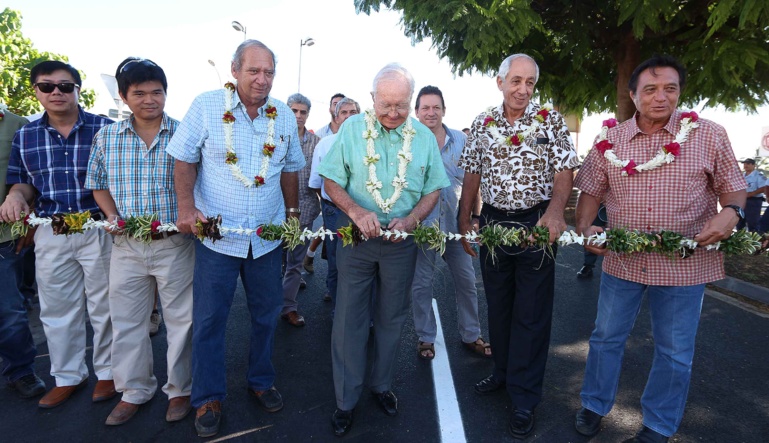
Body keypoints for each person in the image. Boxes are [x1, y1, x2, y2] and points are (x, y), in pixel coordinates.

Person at [572, 55, 747, 443]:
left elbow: (733, 187)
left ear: (680, 92)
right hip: (622, 262)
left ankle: (658, 425)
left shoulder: (709, 134)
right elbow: (590, 193)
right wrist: (587, 228)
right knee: (605, 338)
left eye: (670, 88)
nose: (660, 97)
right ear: (633, 96)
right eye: (650, 89)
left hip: (685, 267)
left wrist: (731, 213)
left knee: (674, 351)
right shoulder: (609, 141)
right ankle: (594, 404)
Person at [166, 39, 304, 438]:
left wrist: (293, 215)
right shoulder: (208, 106)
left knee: (266, 313)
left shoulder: (281, 116)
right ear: (234, 70)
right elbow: (184, 158)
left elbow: (292, 168)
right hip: (216, 237)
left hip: (266, 238)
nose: (262, 80)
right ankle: (207, 397)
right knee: (209, 320)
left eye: (269, 72)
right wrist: (187, 209)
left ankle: (260, 380)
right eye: (254, 71)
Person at [318, 63, 449, 437]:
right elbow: (330, 178)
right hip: (356, 240)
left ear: (410, 101)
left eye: (401, 105)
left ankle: (381, 385)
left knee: (392, 317)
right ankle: (346, 399)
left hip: (401, 243)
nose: (393, 113)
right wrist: (357, 211)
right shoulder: (352, 130)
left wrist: (411, 221)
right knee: (348, 318)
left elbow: (434, 188)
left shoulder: (422, 136)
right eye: (386, 104)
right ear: (373, 98)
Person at [457, 53, 578, 439]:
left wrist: (556, 213)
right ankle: (503, 374)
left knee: (532, 312)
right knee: (499, 303)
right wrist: (465, 220)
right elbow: (472, 171)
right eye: (516, 81)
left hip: (536, 222)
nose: (523, 89)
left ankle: (525, 397)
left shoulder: (550, 121)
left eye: (529, 82)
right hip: (493, 221)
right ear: (500, 83)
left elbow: (564, 169)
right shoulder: (482, 122)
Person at [0, 61, 116, 409]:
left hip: (98, 226)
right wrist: (14, 197)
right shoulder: (26, 134)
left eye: (65, 86)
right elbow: (23, 184)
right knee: (56, 310)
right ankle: (68, 377)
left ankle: (108, 374)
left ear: (78, 90)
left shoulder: (105, 128)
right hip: (51, 229)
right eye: (46, 86)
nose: (56, 93)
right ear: (36, 90)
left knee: (105, 306)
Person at [85, 58, 194, 426]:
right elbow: (97, 182)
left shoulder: (184, 134)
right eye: (140, 93)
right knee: (127, 322)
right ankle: (134, 390)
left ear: (165, 92)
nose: (150, 99)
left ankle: (180, 389)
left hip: (174, 244)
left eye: (157, 92)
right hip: (127, 246)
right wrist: (112, 216)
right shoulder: (107, 137)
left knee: (182, 320)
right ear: (124, 96)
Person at [410, 85, 489, 360]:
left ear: (444, 110)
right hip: (423, 230)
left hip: (458, 229)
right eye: (425, 108)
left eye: (436, 107)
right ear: (416, 111)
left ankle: (471, 335)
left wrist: (475, 218)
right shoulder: (409, 142)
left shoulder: (461, 141)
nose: (431, 112)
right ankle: (425, 338)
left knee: (467, 282)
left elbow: (473, 184)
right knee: (421, 285)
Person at [0, 104, 47, 400]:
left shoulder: (17, 125)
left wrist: (30, 222)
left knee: (9, 311)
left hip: (3, 236)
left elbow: (31, 178)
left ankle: (20, 370)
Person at [308, 97, 360, 305]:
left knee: (363, 261)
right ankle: (337, 311)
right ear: (336, 117)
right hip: (333, 212)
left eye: (353, 112)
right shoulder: (325, 145)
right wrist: (332, 204)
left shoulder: (370, 145)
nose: (348, 117)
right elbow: (315, 183)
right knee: (336, 261)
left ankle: (365, 315)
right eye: (344, 113)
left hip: (365, 212)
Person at [281, 93, 321, 327]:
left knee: (295, 263)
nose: (298, 115)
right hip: (274, 212)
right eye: (293, 110)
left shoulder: (316, 144)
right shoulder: (274, 138)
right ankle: (268, 307)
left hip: (304, 212)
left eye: (302, 112)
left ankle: (289, 307)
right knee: (274, 265)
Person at [576, 204, 607, 279]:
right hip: (600, 202)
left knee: (619, 235)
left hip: (621, 206)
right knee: (592, 234)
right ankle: (588, 265)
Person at [737, 158, 764, 232]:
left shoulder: (758, 176)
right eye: (745, 164)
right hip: (742, 201)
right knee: (740, 222)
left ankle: (754, 242)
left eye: (748, 164)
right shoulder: (742, 175)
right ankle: (740, 241)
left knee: (753, 223)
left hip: (754, 201)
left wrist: (751, 194)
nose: (746, 165)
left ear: (753, 165)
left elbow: (763, 188)